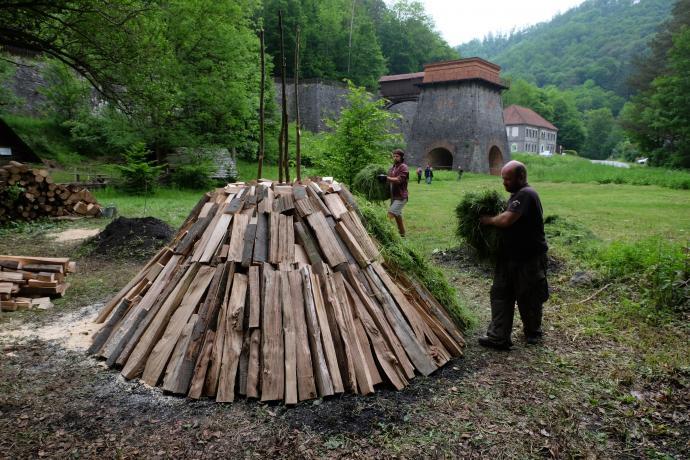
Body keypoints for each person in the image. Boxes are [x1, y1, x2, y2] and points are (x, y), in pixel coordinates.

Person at [478, 160, 549, 349]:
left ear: (521, 177)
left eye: (507, 179)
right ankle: (498, 336)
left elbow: (507, 219)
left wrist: (488, 220)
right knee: (500, 294)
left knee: (529, 295)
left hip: (529, 258)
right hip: (508, 256)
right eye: (503, 179)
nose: (504, 183)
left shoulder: (526, 194)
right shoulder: (517, 195)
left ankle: (533, 332)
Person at [386, 149, 408, 237]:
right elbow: (388, 180)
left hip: (401, 197)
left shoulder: (403, 167)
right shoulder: (393, 167)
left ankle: (386, 236)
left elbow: (400, 180)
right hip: (394, 197)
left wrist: (386, 178)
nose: (395, 157)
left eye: (397, 156)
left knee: (389, 216)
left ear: (401, 157)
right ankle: (403, 236)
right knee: (398, 219)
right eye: (394, 156)